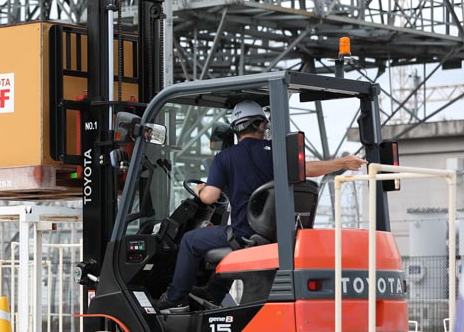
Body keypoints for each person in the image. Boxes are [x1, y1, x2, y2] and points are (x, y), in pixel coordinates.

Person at [155, 100, 366, 312]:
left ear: (236, 128)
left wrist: (201, 189)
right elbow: (309, 169)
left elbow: (210, 197)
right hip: (278, 234)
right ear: (261, 125)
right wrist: (343, 162)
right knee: (225, 242)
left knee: (191, 241)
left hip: (245, 233)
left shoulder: (224, 158)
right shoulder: (277, 152)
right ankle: (213, 294)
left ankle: (175, 298)